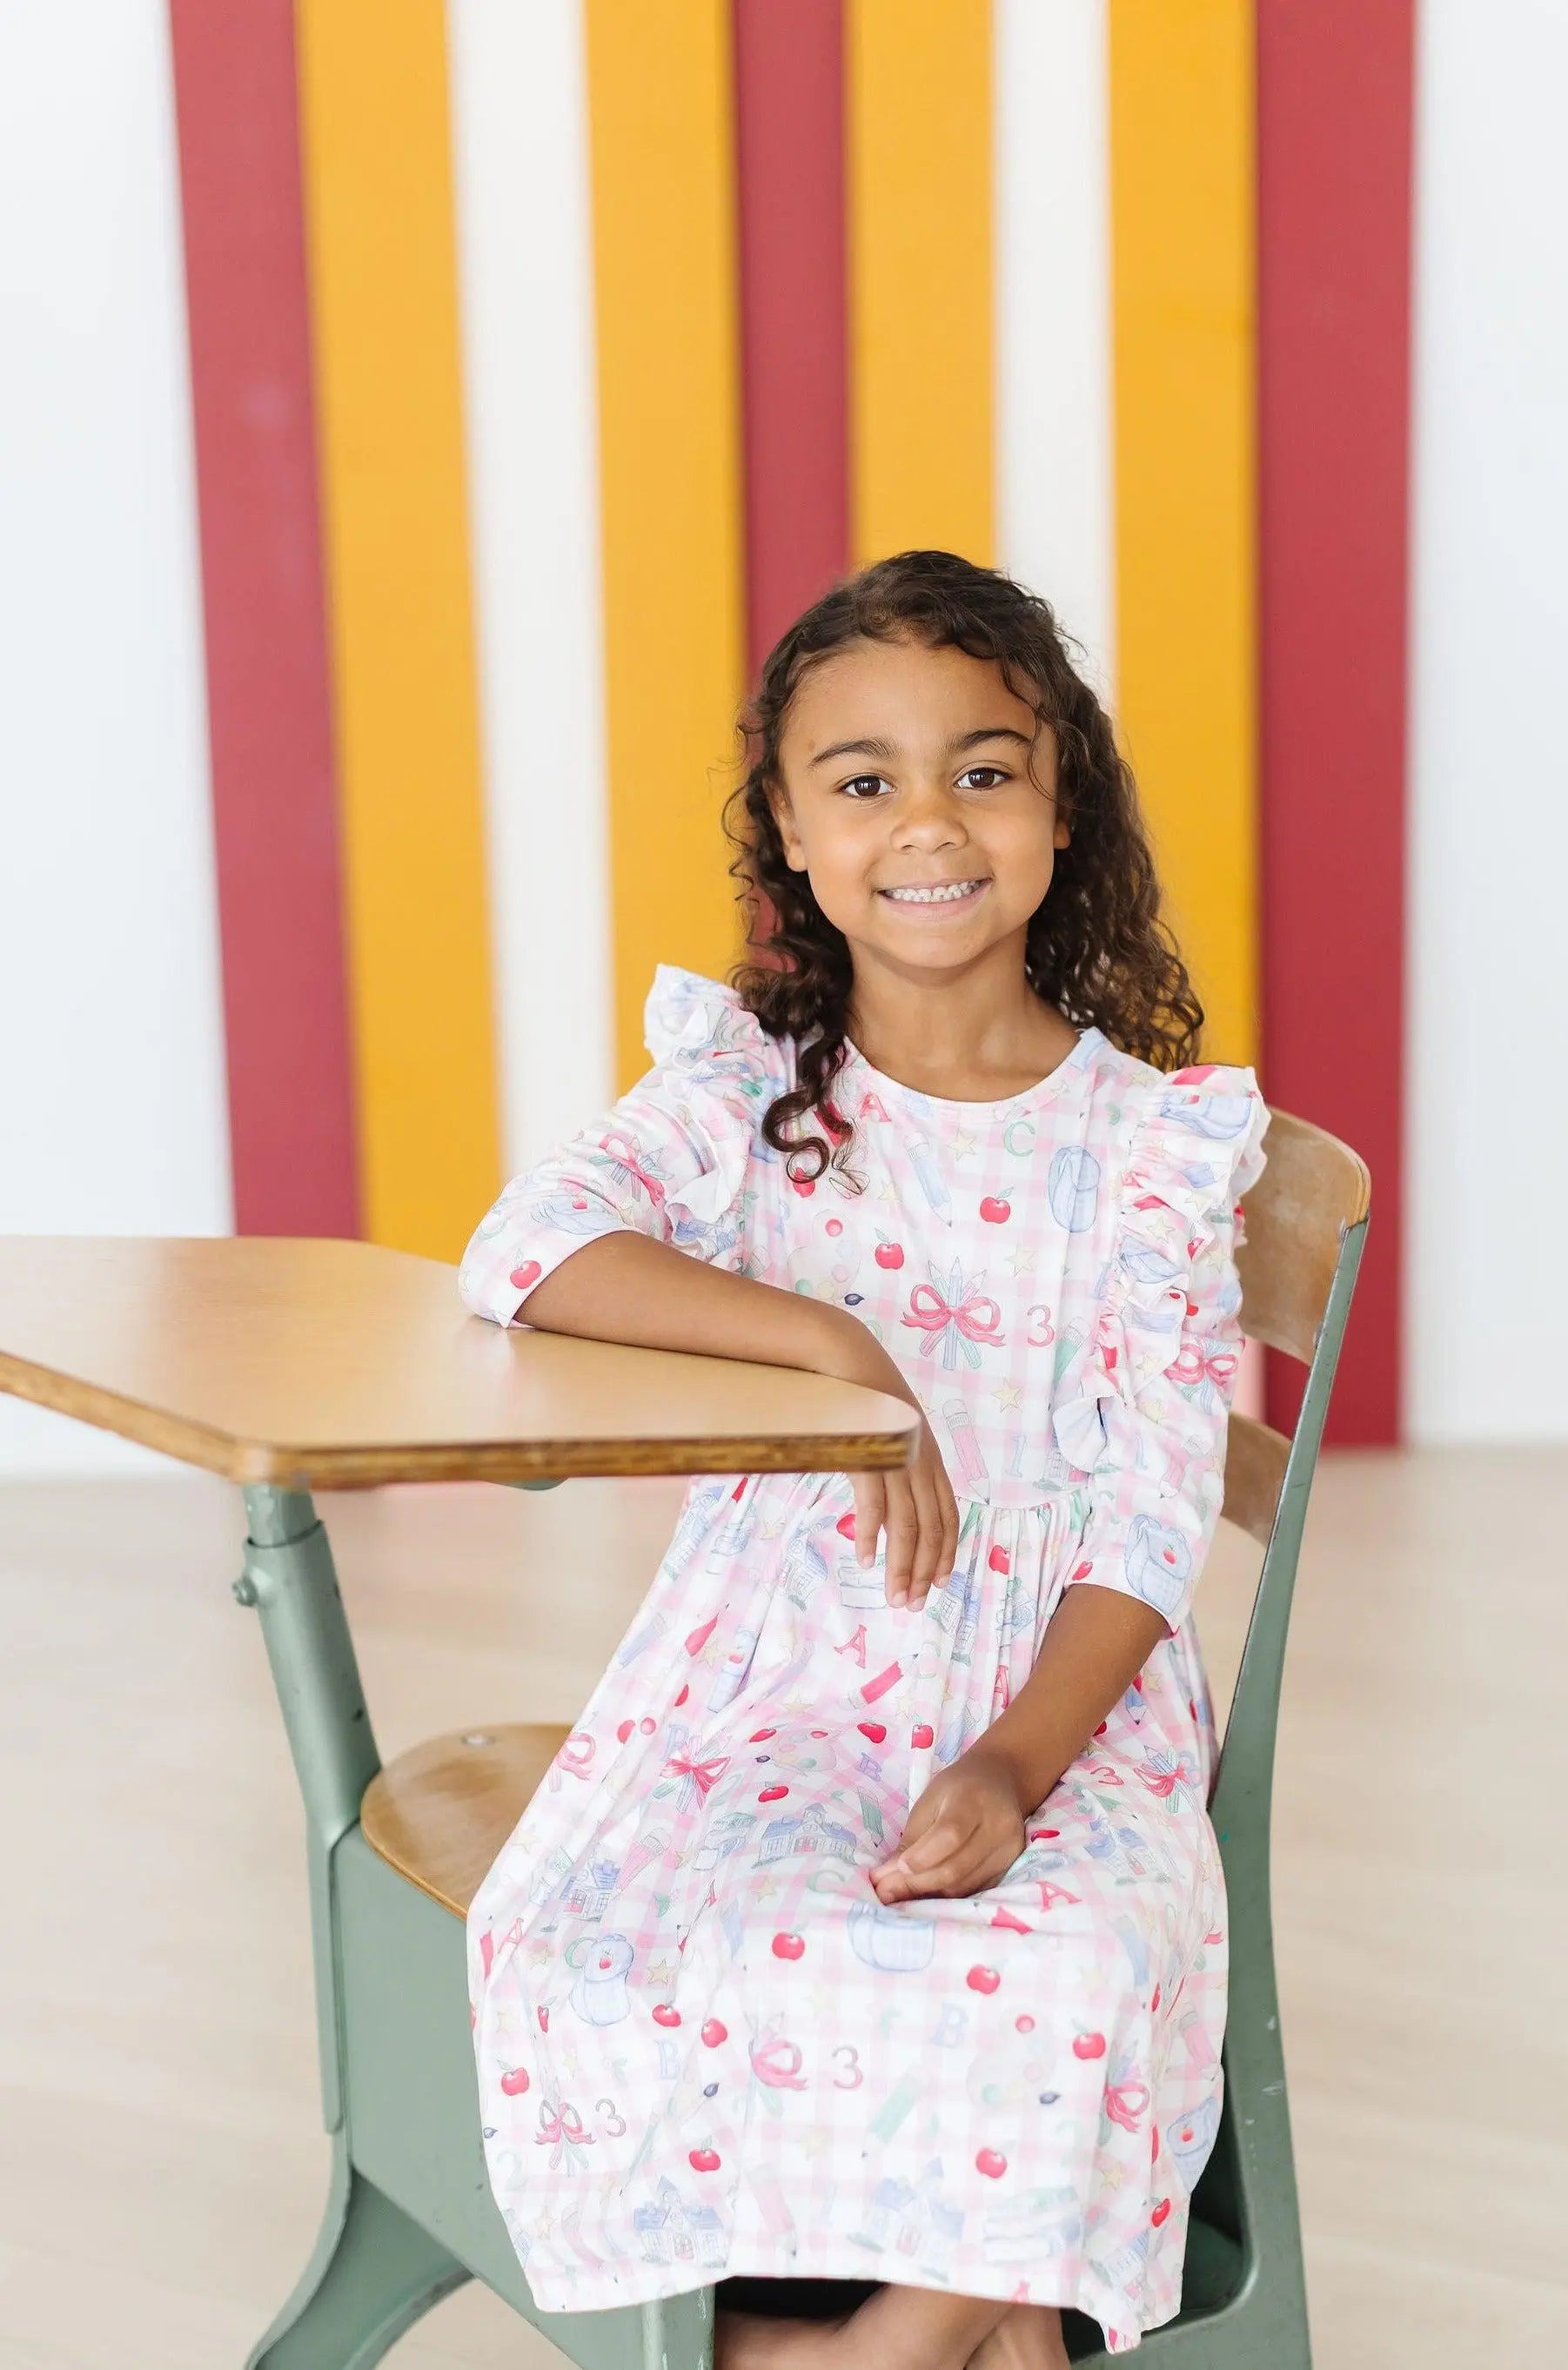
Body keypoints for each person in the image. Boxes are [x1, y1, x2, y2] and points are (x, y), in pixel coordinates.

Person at [458, 550, 1269, 2368]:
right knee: (633, 1948)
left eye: (984, 769)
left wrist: (1009, 1759)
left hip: (1064, 1693)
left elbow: (1150, 1510)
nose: (929, 823)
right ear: (794, 841)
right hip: (778, 1675)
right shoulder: (747, 1102)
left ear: (1066, 813)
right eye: (863, 781)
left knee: (1064, 1972)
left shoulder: (1150, 1155)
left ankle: (819, 2359)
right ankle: (936, 2340)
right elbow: (527, 1250)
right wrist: (840, 1350)